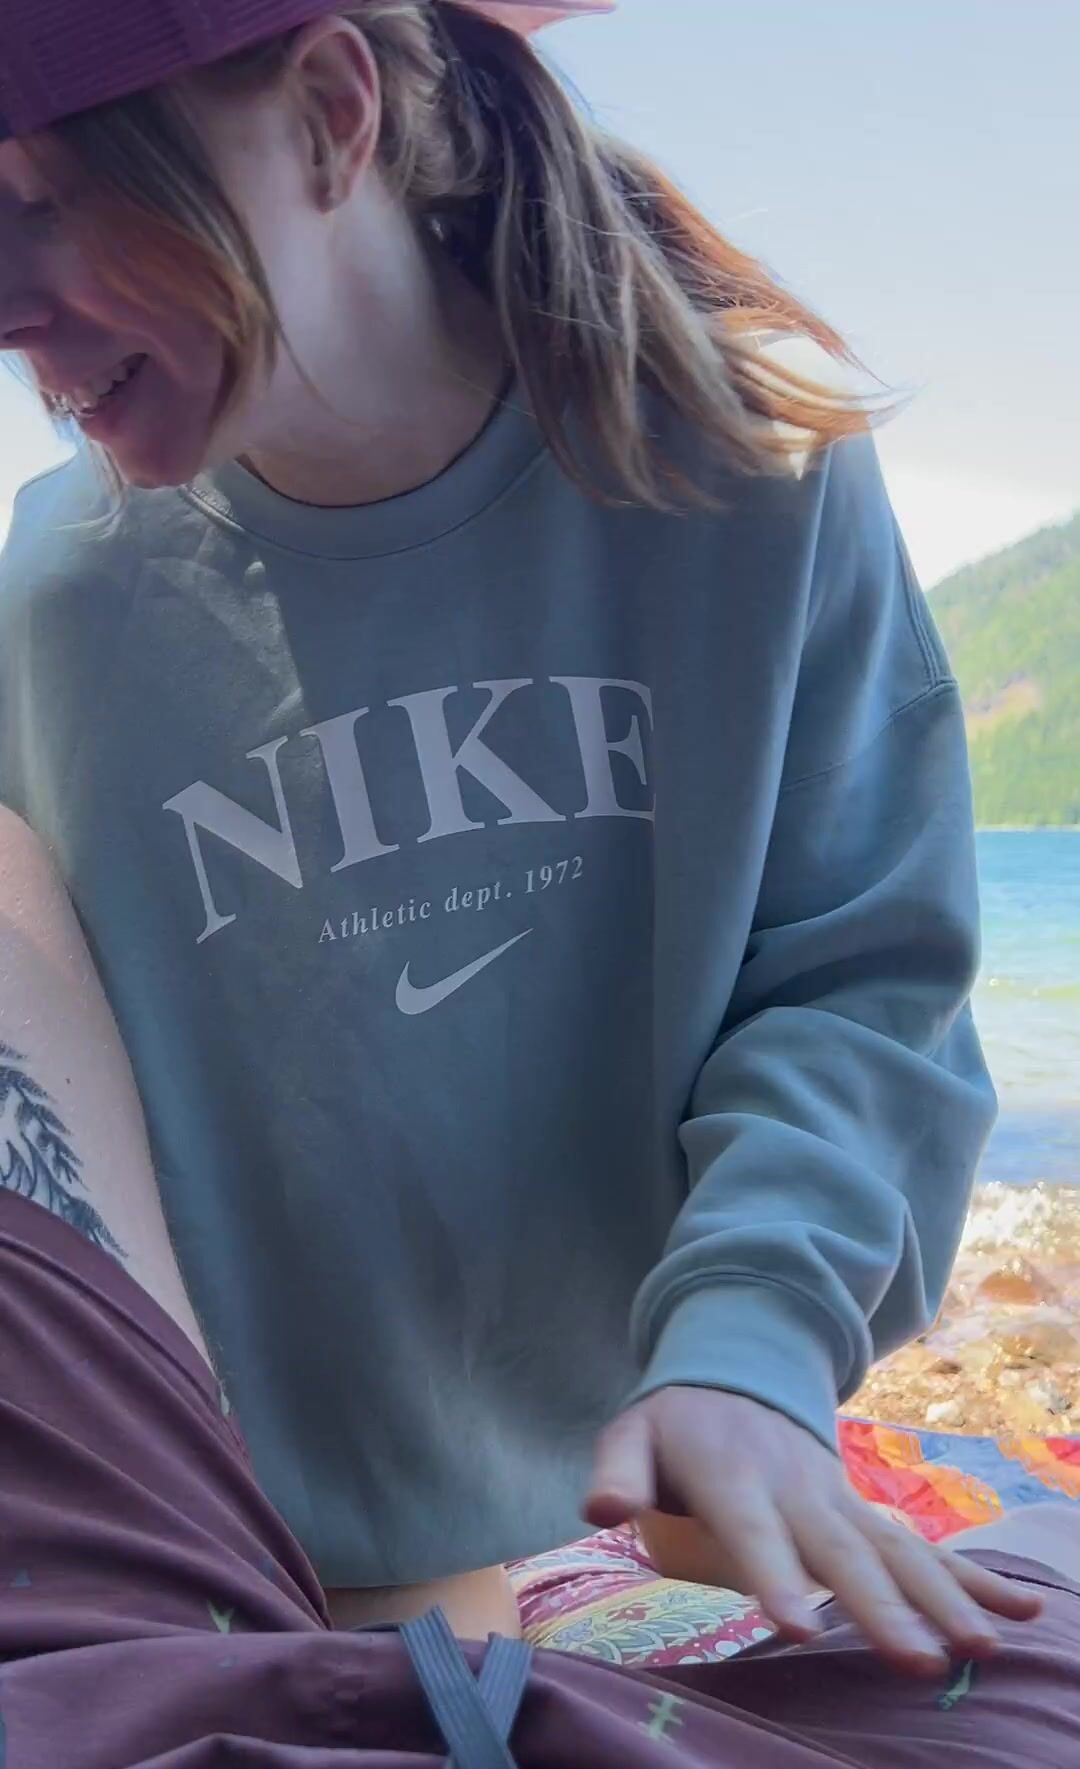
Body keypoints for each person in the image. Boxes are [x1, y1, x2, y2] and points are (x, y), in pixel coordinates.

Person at [0, 0, 1007, 1665]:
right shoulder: (55, 603)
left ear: (331, 111)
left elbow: (859, 979)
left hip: (669, 1513)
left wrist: (751, 1343)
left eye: (46, 199)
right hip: (250, 1584)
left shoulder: (747, 469)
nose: (5, 303)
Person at [0, 809, 1079, 1769]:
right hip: (188, 1751)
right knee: (1046, 1553)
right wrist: (757, 1337)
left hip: (133, 1752)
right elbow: (866, 972)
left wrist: (751, 1336)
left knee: (421, 1590)